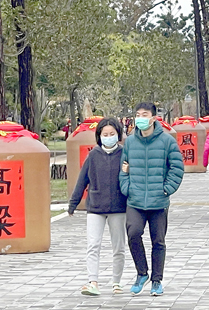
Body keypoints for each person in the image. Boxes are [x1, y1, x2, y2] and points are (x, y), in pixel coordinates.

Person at [119, 102, 184, 297]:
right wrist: (127, 188)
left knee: (158, 241)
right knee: (133, 234)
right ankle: (141, 273)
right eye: (138, 114)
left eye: (145, 114)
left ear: (154, 118)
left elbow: (177, 168)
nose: (140, 118)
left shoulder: (167, 141)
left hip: (158, 201)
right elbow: (123, 168)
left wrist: (166, 189)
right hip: (135, 200)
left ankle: (157, 280)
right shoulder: (130, 142)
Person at [69, 117, 127, 296]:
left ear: (118, 135)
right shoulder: (93, 155)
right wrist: (73, 203)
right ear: (99, 136)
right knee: (93, 245)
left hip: (119, 208)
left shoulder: (124, 154)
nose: (108, 137)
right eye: (105, 134)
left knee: (119, 248)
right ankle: (92, 281)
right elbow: (82, 180)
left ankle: (116, 282)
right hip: (95, 207)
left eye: (112, 134)